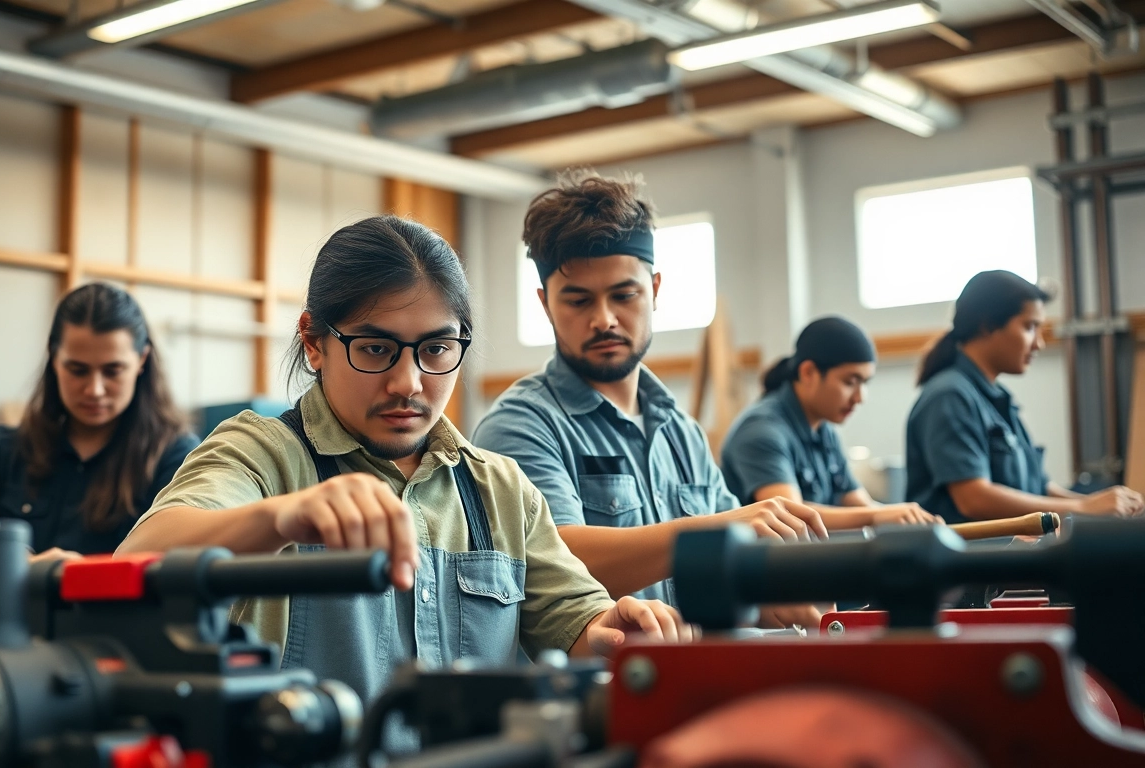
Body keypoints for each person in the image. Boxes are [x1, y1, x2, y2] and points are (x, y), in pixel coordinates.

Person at [117, 215, 690, 718]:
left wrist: (616, 632)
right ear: (314, 342)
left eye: (436, 349)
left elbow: (575, 622)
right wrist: (281, 517)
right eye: (375, 349)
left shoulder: (500, 490)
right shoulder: (262, 455)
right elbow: (136, 562)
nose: (408, 383)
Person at [471, 171, 825, 628]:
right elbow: (555, 564)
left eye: (624, 295)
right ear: (545, 305)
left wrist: (771, 601)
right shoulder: (520, 426)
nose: (604, 319)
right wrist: (718, 530)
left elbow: (730, 570)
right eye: (578, 301)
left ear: (654, 290)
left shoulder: (682, 433)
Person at [0, 283, 198, 574]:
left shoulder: (177, 457)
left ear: (142, 360)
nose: (95, 389)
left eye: (113, 371)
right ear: (54, 358)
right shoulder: (10, 450)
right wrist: (23, 565)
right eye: (78, 370)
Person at [906, 269, 1143, 523]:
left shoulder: (996, 399)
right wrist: (1082, 507)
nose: (1039, 343)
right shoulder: (949, 396)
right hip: (970, 549)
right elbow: (974, 499)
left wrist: (1099, 507)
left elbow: (1038, 487)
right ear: (987, 325)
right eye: (1030, 327)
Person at [721, 316, 938, 528]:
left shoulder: (824, 431)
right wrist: (876, 516)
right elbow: (791, 516)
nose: (860, 398)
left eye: (864, 383)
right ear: (808, 373)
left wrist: (907, 517)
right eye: (850, 382)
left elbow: (859, 504)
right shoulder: (761, 431)